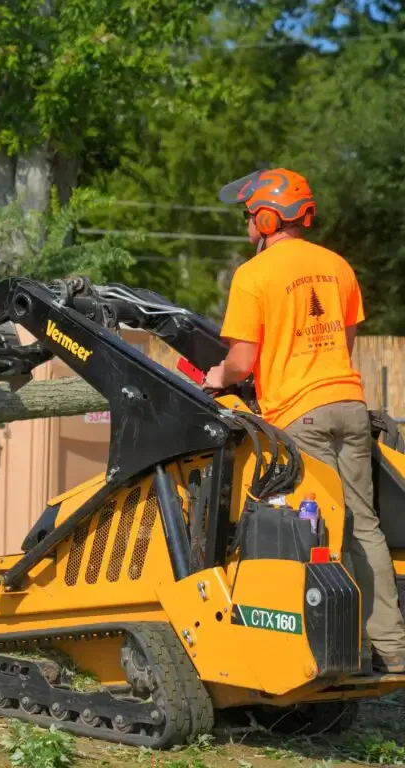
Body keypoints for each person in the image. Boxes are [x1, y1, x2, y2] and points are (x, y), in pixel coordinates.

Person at [204, 167, 405, 674]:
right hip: (349, 406)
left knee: (315, 531)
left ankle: (336, 652)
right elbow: (346, 344)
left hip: (300, 416)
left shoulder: (255, 275)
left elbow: (243, 363)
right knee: (364, 527)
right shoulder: (338, 267)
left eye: (250, 216)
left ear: (269, 217)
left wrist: (215, 375)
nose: (248, 225)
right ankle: (392, 649)